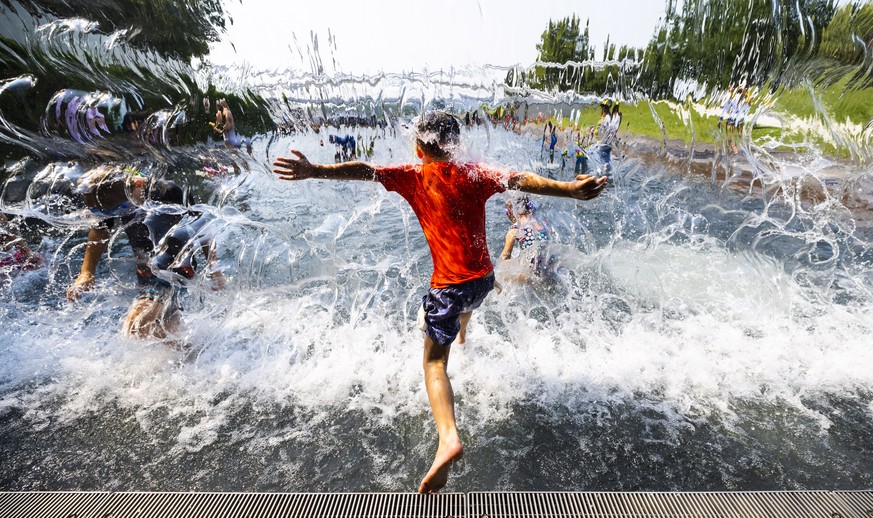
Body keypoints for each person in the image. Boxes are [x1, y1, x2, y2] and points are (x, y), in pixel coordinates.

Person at [273, 111, 607, 494]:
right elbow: (519, 179)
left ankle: (448, 438)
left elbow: (365, 169)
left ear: (418, 148)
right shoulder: (475, 173)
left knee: (433, 362)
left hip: (449, 288)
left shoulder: (413, 176)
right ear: (455, 144)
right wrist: (569, 189)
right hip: (483, 280)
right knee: (465, 303)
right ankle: (461, 330)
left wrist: (314, 170)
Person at [67, 166, 223, 339]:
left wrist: (214, 268)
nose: (123, 213)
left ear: (138, 183)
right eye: (114, 213)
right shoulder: (110, 196)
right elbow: (100, 230)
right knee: (164, 327)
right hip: (147, 270)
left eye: (125, 208)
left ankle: (185, 356)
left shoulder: (168, 192)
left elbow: (203, 229)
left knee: (138, 322)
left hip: (177, 267)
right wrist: (86, 273)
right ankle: (189, 358)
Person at [499, 195, 555, 283]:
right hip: (549, 267)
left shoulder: (515, 229)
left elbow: (505, 256)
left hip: (531, 274)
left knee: (502, 275)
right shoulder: (545, 223)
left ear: (510, 212)